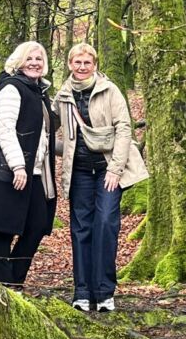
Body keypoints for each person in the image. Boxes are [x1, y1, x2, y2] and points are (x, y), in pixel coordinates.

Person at [53, 43, 148, 313]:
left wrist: (115, 170)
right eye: (77, 62)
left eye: (87, 63)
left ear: (94, 65)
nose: (82, 67)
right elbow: (49, 125)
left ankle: (104, 291)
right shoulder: (63, 95)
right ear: (70, 64)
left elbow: (124, 128)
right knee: (81, 229)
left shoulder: (110, 90)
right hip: (79, 171)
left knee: (106, 224)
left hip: (107, 169)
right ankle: (82, 292)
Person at [0, 41, 57, 288]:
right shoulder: (12, 88)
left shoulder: (39, 92)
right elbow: (4, 130)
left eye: (39, 59)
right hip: (9, 171)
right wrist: (18, 165)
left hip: (34, 173)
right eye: (29, 58)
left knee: (37, 225)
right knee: (5, 228)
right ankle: (4, 284)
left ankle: (14, 281)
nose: (34, 63)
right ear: (19, 62)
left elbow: (44, 135)